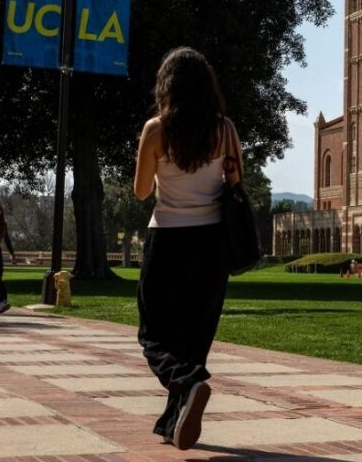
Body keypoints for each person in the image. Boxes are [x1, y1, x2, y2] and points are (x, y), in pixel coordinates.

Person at [133, 46, 236, 451]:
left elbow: (142, 190)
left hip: (168, 239)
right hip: (212, 244)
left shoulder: (156, 130)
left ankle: (189, 383)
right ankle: (172, 421)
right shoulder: (225, 130)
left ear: (167, 86)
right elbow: (236, 181)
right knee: (194, 336)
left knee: (153, 335)